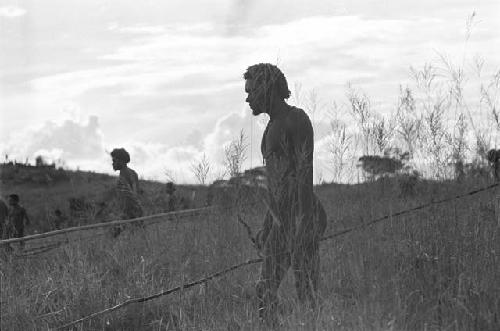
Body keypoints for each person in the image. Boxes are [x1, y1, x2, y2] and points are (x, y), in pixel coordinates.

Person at [244, 63, 327, 324]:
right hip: (284, 219)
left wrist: (302, 224)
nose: (247, 98)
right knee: (264, 289)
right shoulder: (271, 127)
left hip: (304, 216)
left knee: (306, 291)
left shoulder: (296, 119)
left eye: (250, 91)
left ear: (265, 88)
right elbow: (275, 187)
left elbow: (305, 175)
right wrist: (267, 227)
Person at [110, 148, 144, 236]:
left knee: (117, 236)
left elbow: (133, 195)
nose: (113, 163)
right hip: (133, 210)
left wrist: (125, 215)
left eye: (114, 160)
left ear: (122, 161)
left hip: (130, 212)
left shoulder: (127, 174)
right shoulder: (130, 173)